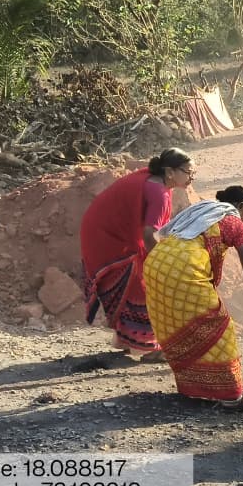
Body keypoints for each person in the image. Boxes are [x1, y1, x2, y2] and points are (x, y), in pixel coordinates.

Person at [143, 186, 243, 412]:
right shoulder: (233, 221)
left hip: (156, 264)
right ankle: (233, 398)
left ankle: (194, 389)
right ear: (241, 206)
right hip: (185, 271)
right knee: (220, 328)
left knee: (183, 325)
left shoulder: (202, 212)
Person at [80, 148, 195, 361]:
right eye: (188, 172)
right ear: (170, 172)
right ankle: (147, 348)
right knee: (143, 287)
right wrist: (162, 263)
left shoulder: (152, 180)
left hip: (100, 230)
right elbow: (149, 234)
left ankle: (125, 340)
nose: (192, 177)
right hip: (110, 239)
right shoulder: (159, 193)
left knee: (134, 281)